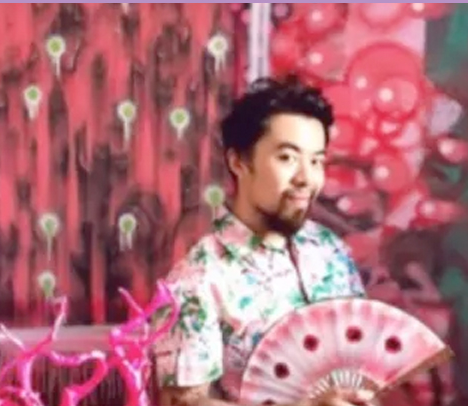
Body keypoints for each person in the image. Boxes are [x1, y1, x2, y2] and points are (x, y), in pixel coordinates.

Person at [152, 75, 374, 406]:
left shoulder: (331, 251)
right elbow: (182, 404)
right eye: (287, 157)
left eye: (316, 160)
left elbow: (364, 359)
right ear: (238, 162)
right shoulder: (197, 279)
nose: (306, 178)